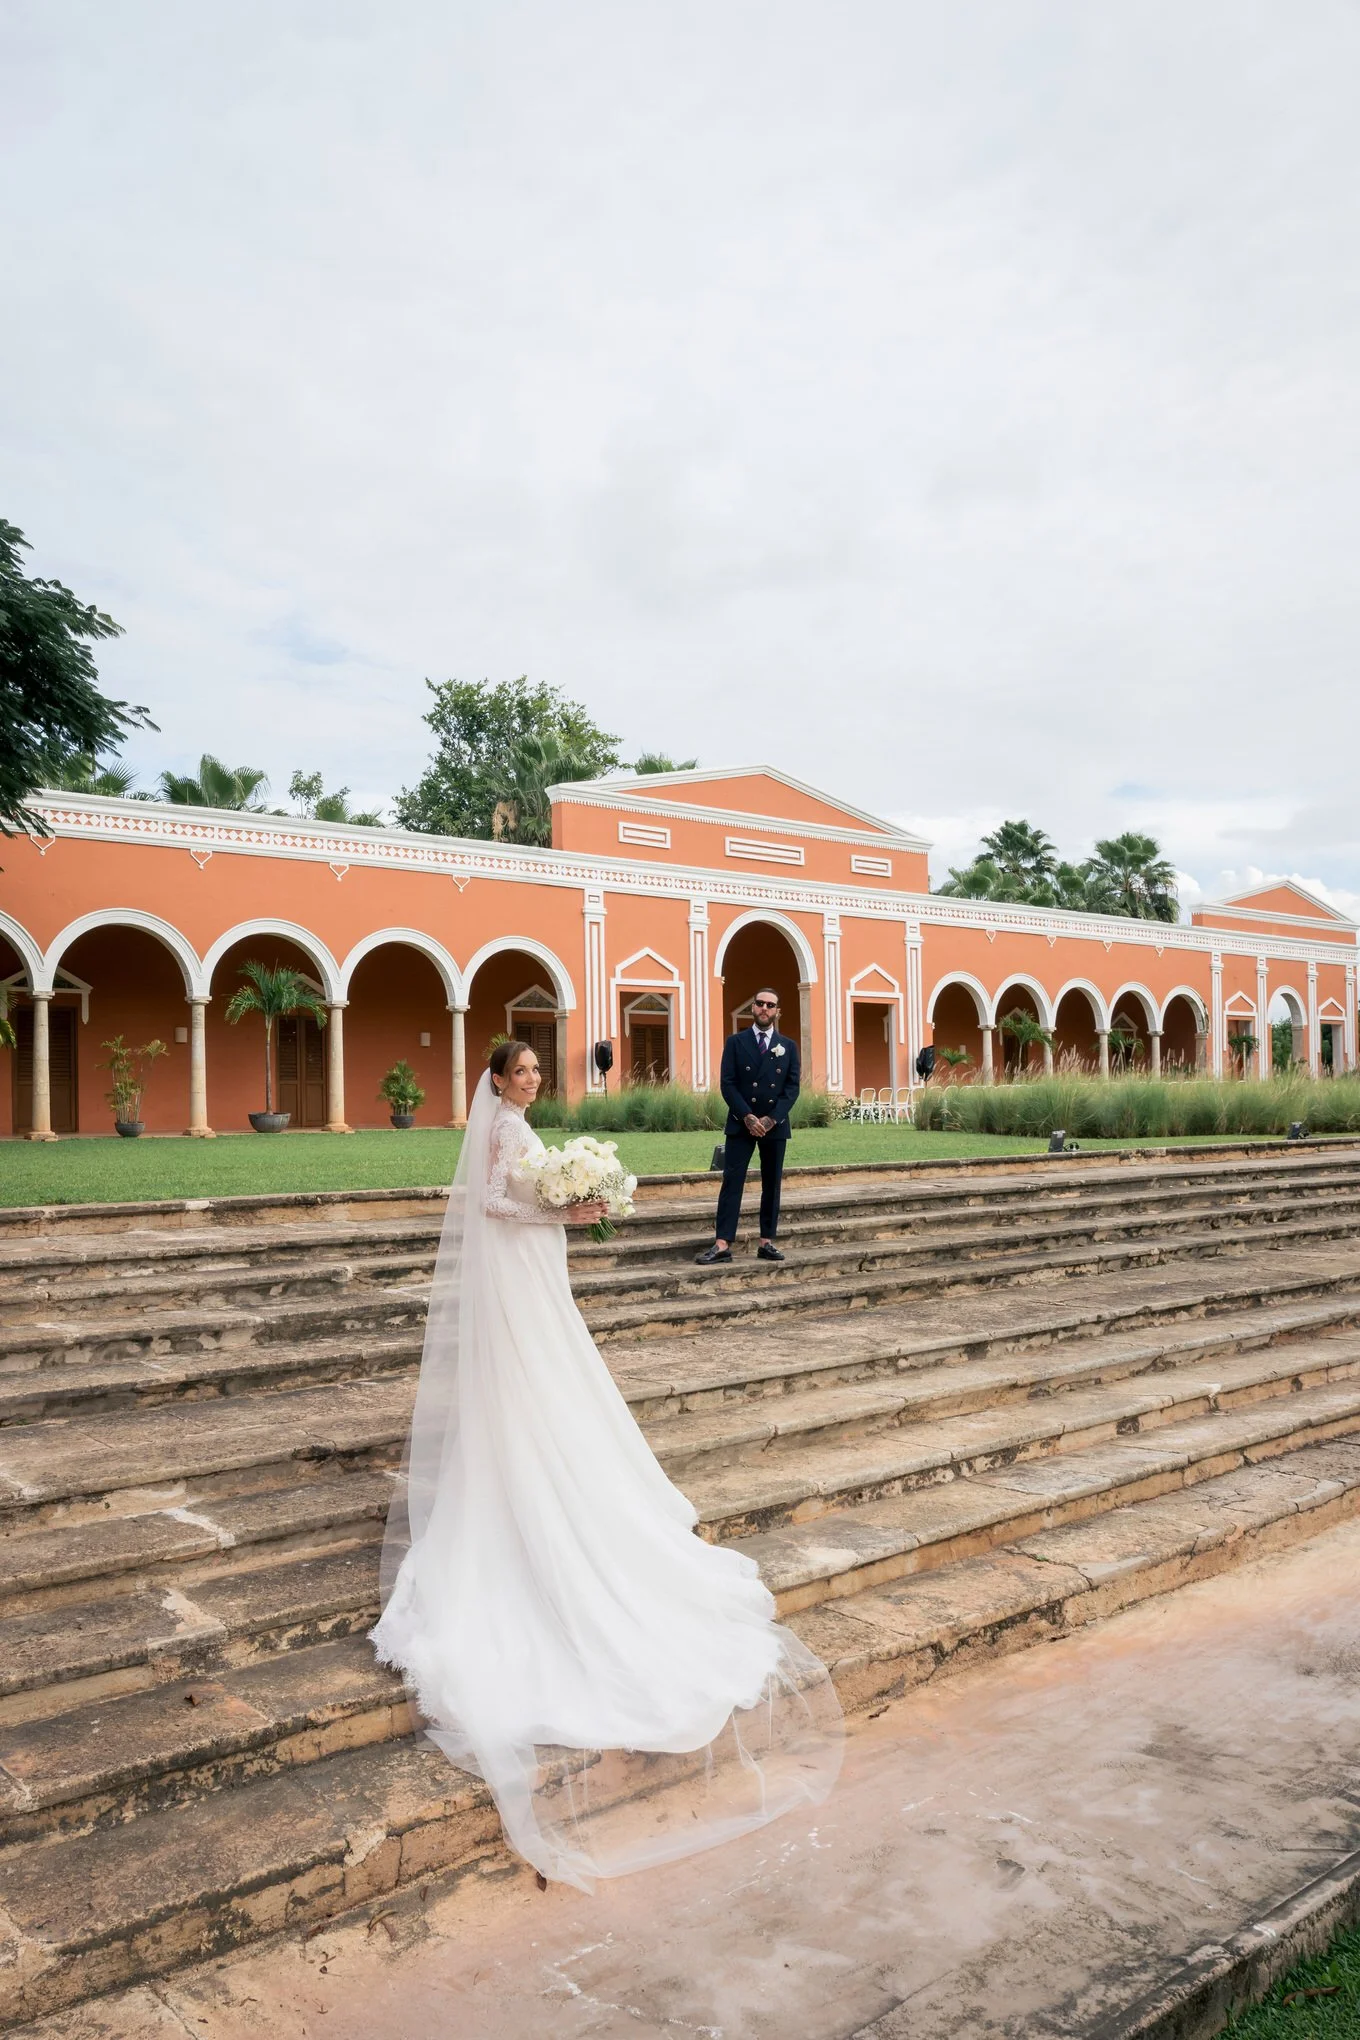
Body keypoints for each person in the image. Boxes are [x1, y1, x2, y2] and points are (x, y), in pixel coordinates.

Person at [370, 1039, 841, 1891]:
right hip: (518, 1267)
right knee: (532, 1383)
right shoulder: (501, 1131)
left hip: (535, 1273)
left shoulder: (521, 1124)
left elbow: (523, 1198)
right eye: (519, 1076)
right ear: (495, 1081)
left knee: (555, 1379)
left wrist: (573, 1203)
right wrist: (562, 1211)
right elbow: (489, 1203)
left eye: (536, 1075)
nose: (530, 1084)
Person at [695, 987, 800, 1265]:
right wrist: (748, 1117)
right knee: (732, 1182)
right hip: (741, 1123)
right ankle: (722, 1243)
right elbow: (727, 1083)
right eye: (760, 1003)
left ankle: (766, 1241)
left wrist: (770, 1119)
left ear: (778, 1011)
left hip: (774, 1125)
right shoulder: (735, 1042)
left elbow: (792, 1088)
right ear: (753, 1008)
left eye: (770, 1005)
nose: (765, 1008)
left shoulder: (788, 1046)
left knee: (772, 1184)